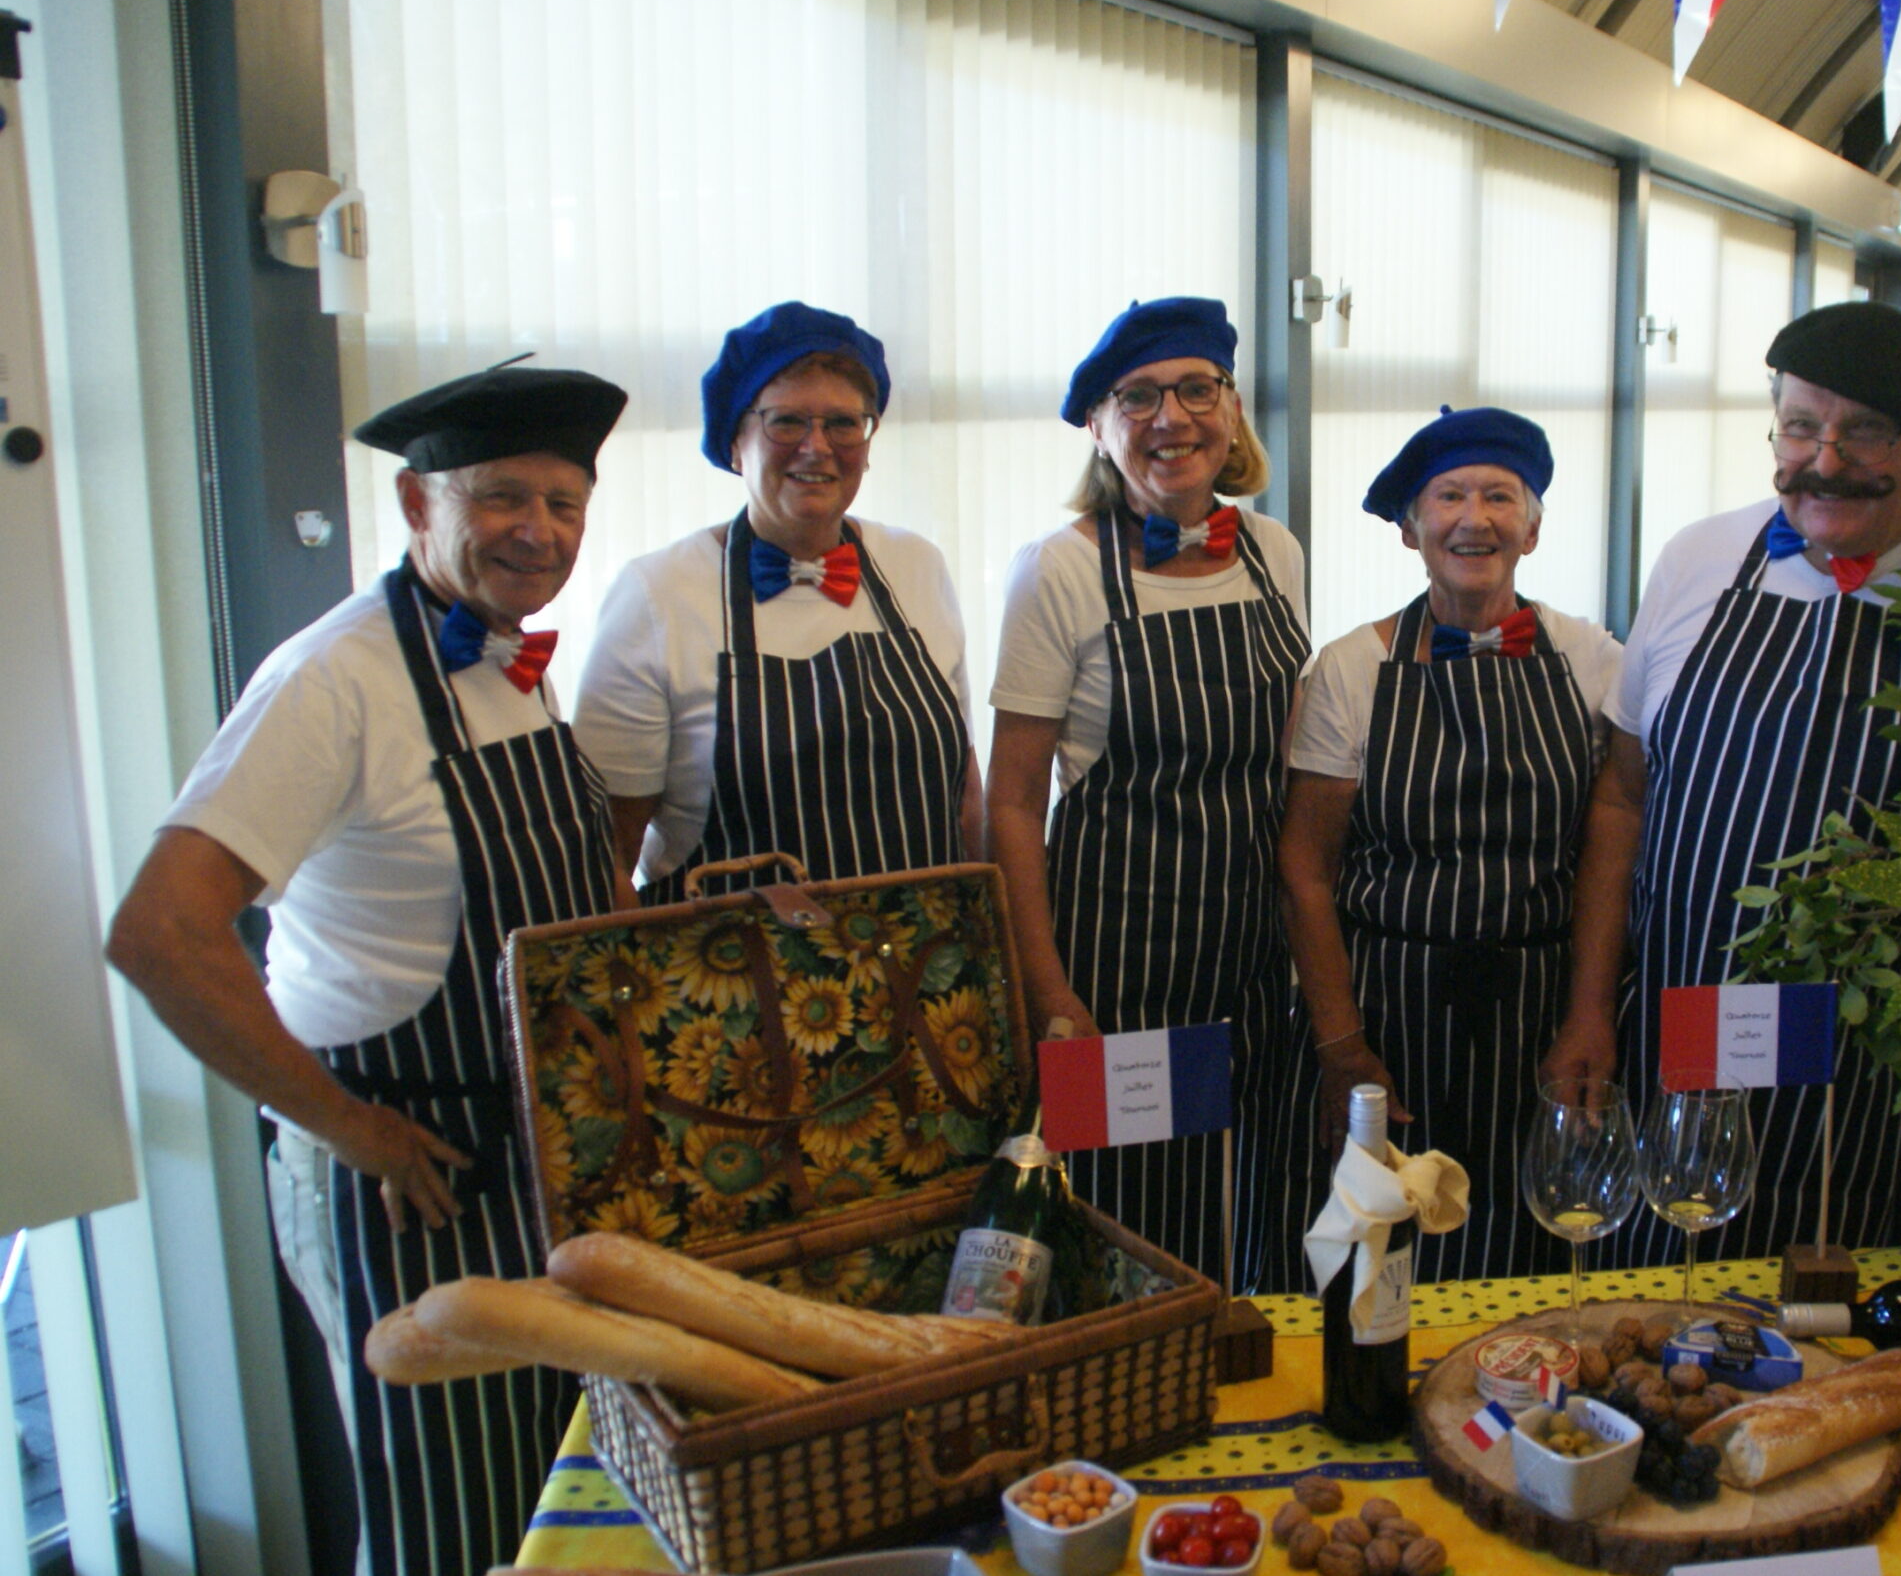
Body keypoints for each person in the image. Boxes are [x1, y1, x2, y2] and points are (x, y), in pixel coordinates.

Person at [104, 364, 628, 1576]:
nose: (537, 531)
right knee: (445, 1510)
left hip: (537, 1162)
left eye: (562, 502)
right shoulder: (332, 680)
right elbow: (162, 932)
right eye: (501, 497)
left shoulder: (506, 659)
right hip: (413, 1178)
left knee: (543, 1501)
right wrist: (350, 1126)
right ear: (415, 505)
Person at [1547, 302, 1901, 1263]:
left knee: (1812, 1291)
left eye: (1864, 431)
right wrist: (1586, 1006)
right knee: (1647, 1284)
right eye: (1800, 426)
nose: (1825, 460)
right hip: (1668, 1008)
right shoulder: (1699, 558)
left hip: (1852, 1055)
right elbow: (1623, 797)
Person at [986, 297, 1309, 1288]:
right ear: (1098, 425)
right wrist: (1048, 987)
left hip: (1250, 958)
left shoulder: (1275, 551)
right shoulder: (1058, 571)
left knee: (1250, 1207)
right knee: (1132, 1235)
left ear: (1232, 408)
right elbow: (1012, 799)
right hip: (1118, 966)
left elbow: (1286, 757)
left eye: (1196, 389)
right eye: (1137, 397)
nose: (1171, 417)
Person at [1268, 408, 1621, 1286]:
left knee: (1529, 1253)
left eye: (1500, 496)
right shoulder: (1352, 669)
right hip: (1388, 1013)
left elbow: (1609, 851)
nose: (1475, 518)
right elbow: (1306, 870)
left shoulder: (1594, 660)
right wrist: (1341, 1045)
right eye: (1450, 496)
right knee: (1378, 1253)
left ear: (1532, 529)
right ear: (1411, 529)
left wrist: (1589, 1014)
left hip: (1539, 1014)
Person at [577, 302, 981, 898]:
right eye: (786, 422)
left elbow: (964, 795)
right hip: (731, 953)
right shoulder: (658, 595)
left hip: (929, 951)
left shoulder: (917, 565)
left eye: (843, 423)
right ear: (734, 443)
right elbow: (608, 854)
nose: (817, 446)